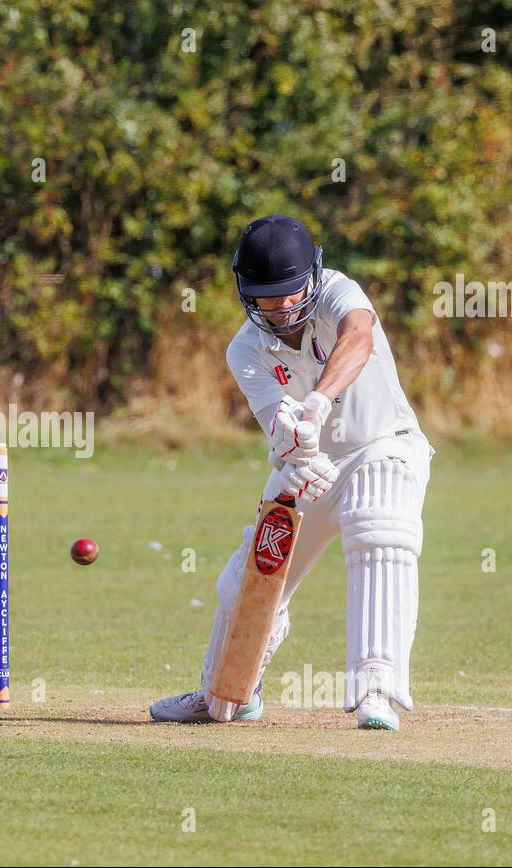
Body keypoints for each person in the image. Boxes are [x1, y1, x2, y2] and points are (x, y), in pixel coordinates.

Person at [150, 215, 433, 730]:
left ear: (312, 275)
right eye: (265, 296)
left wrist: (318, 403)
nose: (278, 307)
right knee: (250, 574)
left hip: (383, 444)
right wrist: (295, 447)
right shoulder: (245, 349)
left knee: (378, 525)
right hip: (310, 466)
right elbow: (278, 429)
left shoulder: (337, 292)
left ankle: (376, 688)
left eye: (288, 292)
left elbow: (359, 337)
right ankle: (232, 688)